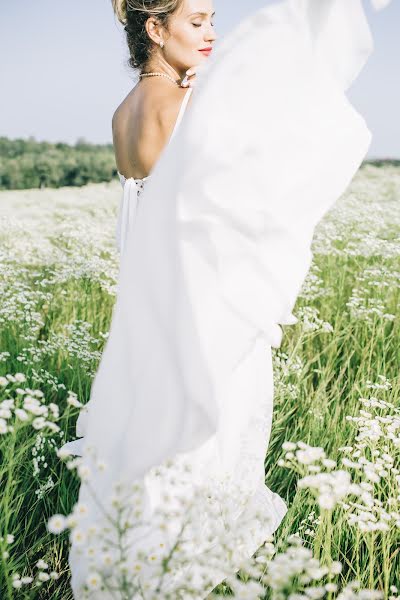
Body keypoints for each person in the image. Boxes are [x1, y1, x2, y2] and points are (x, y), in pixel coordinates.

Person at [59, 0, 392, 597]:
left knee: (150, 447)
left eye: (214, 20)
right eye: (197, 22)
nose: (212, 33)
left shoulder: (123, 112)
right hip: (196, 308)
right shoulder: (183, 104)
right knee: (199, 450)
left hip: (147, 310)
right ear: (155, 29)